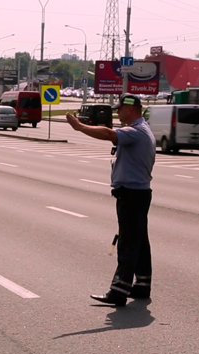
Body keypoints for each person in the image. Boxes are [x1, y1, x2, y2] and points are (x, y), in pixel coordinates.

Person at [66, 93, 156, 306]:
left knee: (128, 243)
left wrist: (80, 127)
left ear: (131, 109)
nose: (117, 111)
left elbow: (108, 134)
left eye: (119, 108)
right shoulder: (143, 129)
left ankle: (118, 291)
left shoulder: (136, 132)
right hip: (137, 193)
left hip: (132, 195)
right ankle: (142, 285)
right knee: (139, 240)